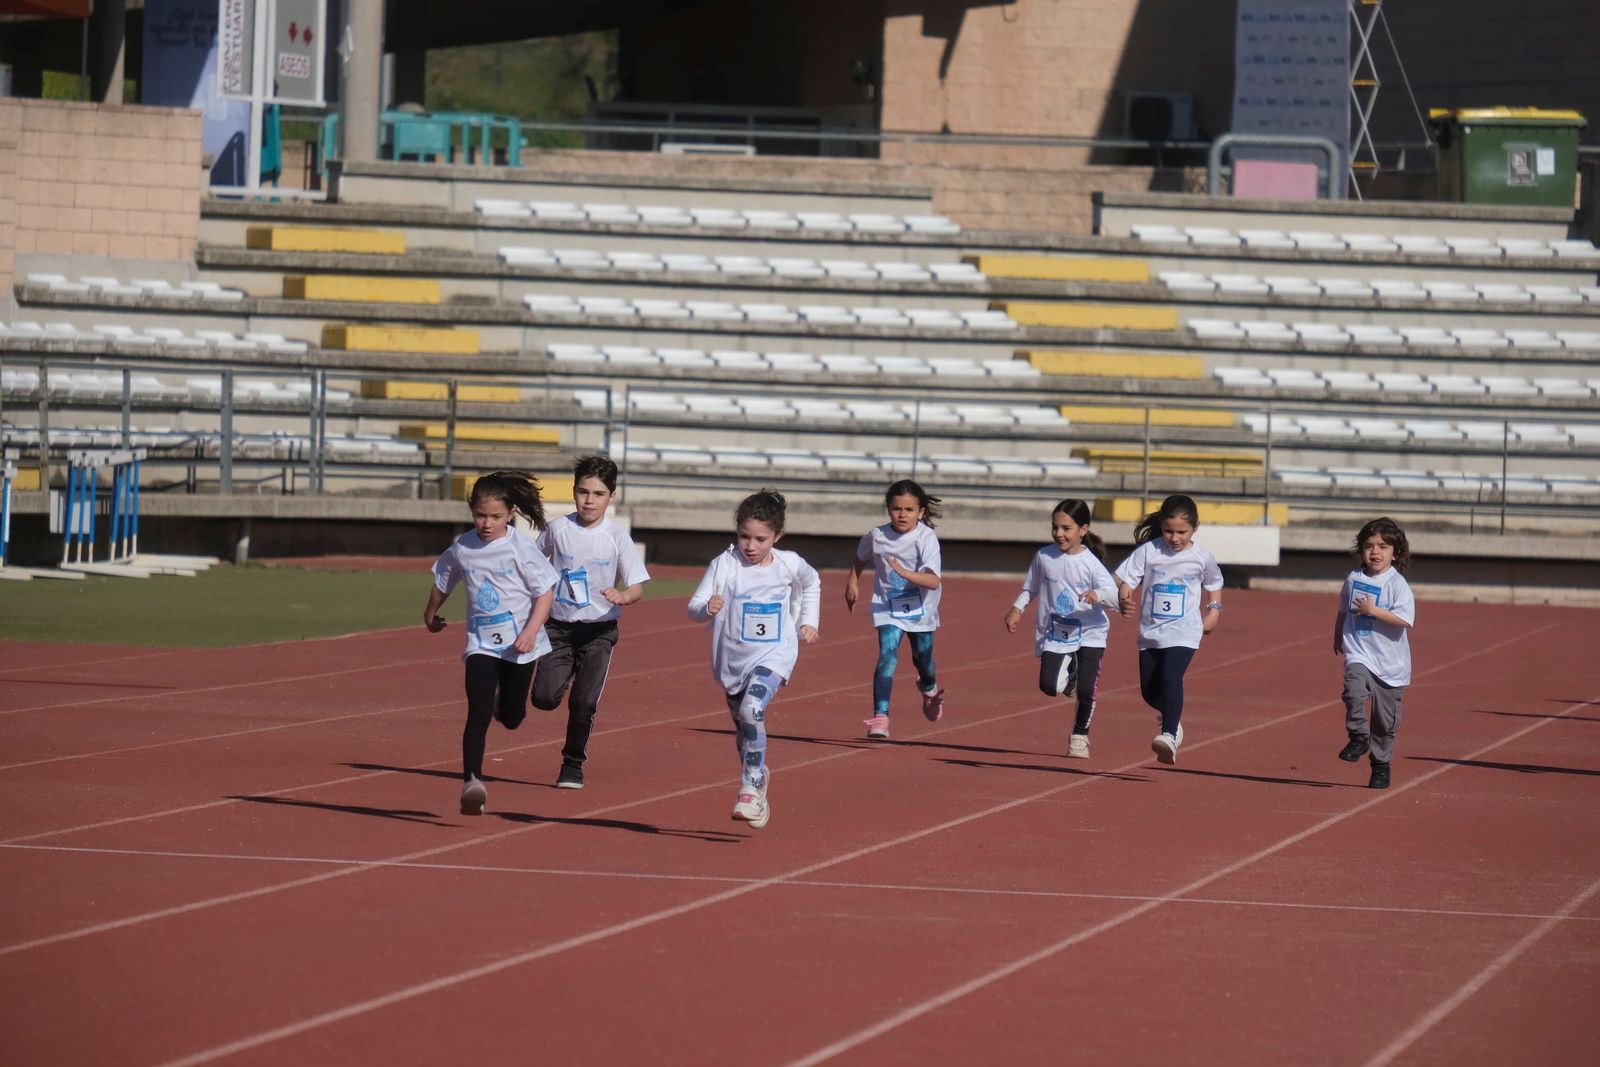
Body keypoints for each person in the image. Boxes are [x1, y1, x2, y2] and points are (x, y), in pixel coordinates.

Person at [424, 471, 558, 815]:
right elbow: (445, 578)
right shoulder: (463, 547)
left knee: (512, 717)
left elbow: (545, 592)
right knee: (477, 713)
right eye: (481, 515)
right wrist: (430, 613)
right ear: (471, 512)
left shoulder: (520, 548)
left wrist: (530, 632)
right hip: (481, 646)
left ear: (510, 513)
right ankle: (472, 781)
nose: (487, 523)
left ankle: (506, 706)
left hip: (520, 647)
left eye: (495, 517)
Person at [687, 489, 821, 828]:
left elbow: (812, 581)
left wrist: (808, 621)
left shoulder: (789, 563)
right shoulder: (724, 565)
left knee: (752, 709)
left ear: (778, 537)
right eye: (744, 536)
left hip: (775, 654)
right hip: (733, 660)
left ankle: (749, 787)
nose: (751, 545)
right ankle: (758, 776)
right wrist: (707, 608)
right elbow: (694, 608)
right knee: (745, 730)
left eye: (760, 539)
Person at [531, 455, 650, 790]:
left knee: (584, 702)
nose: (589, 500)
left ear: (611, 496)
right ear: (573, 491)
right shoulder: (557, 530)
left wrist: (624, 597)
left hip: (599, 630)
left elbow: (637, 584)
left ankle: (572, 765)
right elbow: (532, 566)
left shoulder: (617, 537)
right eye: (583, 492)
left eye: (598, 494)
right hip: (558, 628)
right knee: (544, 699)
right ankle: (548, 677)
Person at [1113, 494, 1223, 765]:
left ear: (1195, 528)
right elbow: (1125, 578)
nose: (1175, 538)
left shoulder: (1201, 557)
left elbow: (1214, 582)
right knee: (1149, 691)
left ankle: (1170, 734)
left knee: (1171, 678)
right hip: (1151, 632)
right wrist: (1125, 594)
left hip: (1185, 631)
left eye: (1182, 532)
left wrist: (1214, 611)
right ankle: (1172, 717)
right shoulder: (1150, 551)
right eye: (1169, 531)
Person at [1004, 499, 1119, 759]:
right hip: (1057, 633)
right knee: (1048, 686)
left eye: (1066, 528)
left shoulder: (1090, 563)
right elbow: (1030, 587)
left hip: (1090, 632)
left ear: (1083, 530)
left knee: (1088, 690)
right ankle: (1073, 674)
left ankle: (1080, 735)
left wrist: (1097, 594)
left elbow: (1114, 598)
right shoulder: (1044, 557)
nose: (1059, 534)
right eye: (1055, 527)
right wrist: (1017, 608)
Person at [845, 479, 945, 740]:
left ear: (921, 512)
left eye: (909, 510)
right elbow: (860, 556)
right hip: (887, 608)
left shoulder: (926, 538)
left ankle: (929, 686)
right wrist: (853, 582)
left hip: (921, 611)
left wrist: (904, 572)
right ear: (889, 509)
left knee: (923, 661)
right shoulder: (877, 536)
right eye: (897, 509)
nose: (902, 515)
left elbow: (933, 581)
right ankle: (881, 716)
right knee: (887, 656)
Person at [1334, 517, 1416, 789]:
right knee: (1353, 691)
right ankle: (1358, 735)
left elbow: (1405, 619)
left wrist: (1374, 611)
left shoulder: (1397, 584)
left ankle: (1380, 764)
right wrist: (1337, 633)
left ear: (1396, 553)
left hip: (1390, 665)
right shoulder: (1354, 578)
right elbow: (1344, 608)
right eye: (1369, 545)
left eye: (1383, 546)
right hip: (1359, 652)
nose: (1375, 552)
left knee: (1385, 722)